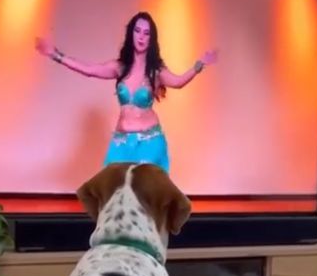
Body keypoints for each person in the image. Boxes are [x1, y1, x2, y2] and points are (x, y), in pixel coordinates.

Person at [35, 11, 217, 174]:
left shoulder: (155, 71)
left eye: (146, 33)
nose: (141, 37)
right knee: (115, 191)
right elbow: (89, 70)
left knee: (141, 193)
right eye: (137, 31)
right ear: (131, 34)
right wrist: (56, 55)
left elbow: (178, 82)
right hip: (121, 143)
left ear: (151, 39)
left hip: (149, 142)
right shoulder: (120, 67)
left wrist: (199, 65)